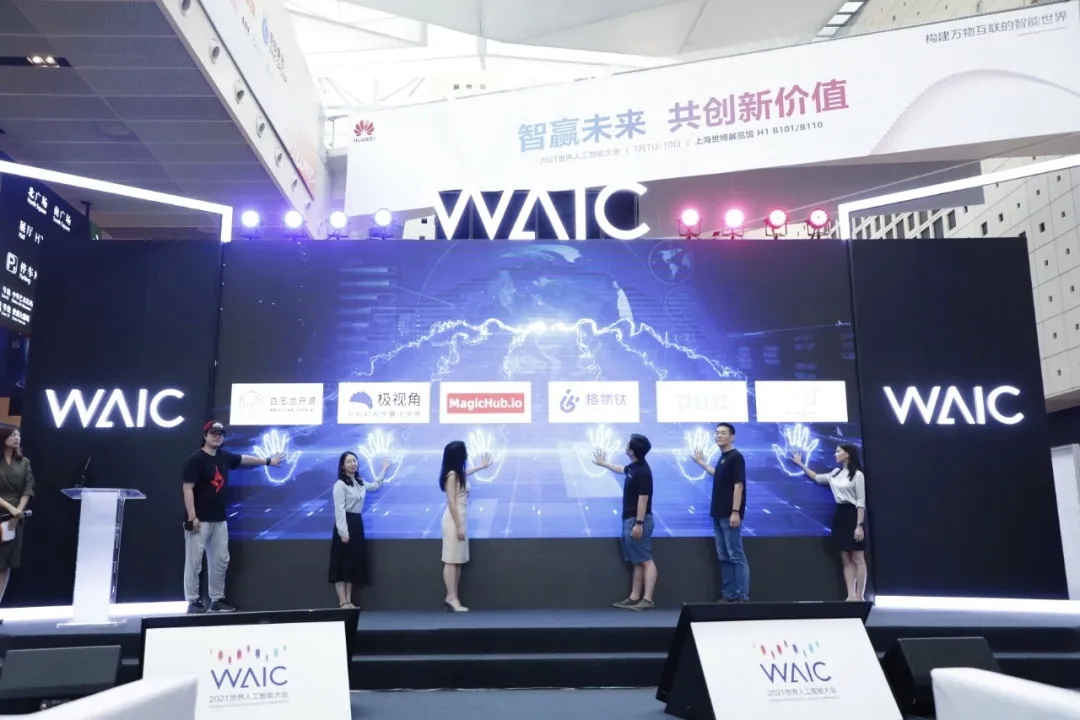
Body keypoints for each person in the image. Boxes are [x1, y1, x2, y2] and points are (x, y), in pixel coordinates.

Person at [183, 421, 283, 614]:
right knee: (194, 562)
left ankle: (217, 599)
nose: (217, 436)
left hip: (219, 519)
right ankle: (193, 601)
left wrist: (267, 461)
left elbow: (243, 459)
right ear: (205, 435)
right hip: (199, 520)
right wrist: (192, 517)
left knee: (220, 560)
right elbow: (188, 488)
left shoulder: (223, 456)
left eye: (220, 434)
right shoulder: (195, 459)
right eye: (213, 433)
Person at [791, 444, 868, 601]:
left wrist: (859, 525)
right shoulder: (835, 473)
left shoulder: (858, 475)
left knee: (857, 558)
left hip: (853, 515)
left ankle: (860, 596)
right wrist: (800, 464)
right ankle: (850, 595)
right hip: (840, 515)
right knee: (845, 559)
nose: (835, 454)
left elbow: (860, 502)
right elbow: (816, 477)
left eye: (838, 451)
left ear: (847, 454)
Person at [593, 433, 657, 611]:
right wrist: (605, 464)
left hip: (637, 521)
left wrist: (639, 523)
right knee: (637, 560)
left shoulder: (642, 472)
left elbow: (643, 499)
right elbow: (622, 469)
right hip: (630, 520)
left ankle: (648, 599)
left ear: (632, 451)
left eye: (628, 444)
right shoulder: (635, 467)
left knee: (646, 560)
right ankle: (634, 597)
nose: (625, 446)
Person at [691, 422, 749, 603]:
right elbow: (719, 475)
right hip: (717, 513)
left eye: (723, 433)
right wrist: (701, 463)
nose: (718, 436)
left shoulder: (736, 457)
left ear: (732, 437)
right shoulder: (723, 458)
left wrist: (735, 511)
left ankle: (741, 596)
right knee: (724, 556)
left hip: (729, 514)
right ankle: (728, 595)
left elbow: (738, 485)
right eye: (717, 433)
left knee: (736, 556)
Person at [329, 450, 389, 609]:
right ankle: (342, 601)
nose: (352, 464)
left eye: (354, 461)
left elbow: (375, 486)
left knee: (351, 563)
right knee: (341, 564)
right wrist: (343, 532)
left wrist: (384, 469)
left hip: (357, 523)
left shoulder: (359, 481)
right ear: (343, 466)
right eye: (349, 462)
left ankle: (349, 600)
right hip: (345, 523)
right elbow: (339, 510)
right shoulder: (340, 485)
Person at [439, 441, 490, 612]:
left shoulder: (457, 473)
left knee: (458, 559)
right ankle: (451, 597)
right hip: (453, 521)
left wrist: (481, 467)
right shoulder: (452, 475)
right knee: (451, 560)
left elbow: (466, 473)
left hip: (460, 520)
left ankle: (453, 597)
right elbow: (451, 502)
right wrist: (459, 526)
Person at [0, 426, 33, 624]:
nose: (16, 437)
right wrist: (11, 509)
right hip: (3, 511)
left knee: (4, 564)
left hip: (14, 519)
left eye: (18, 435)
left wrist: (18, 510)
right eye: (13, 434)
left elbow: (28, 489)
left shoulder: (24, 462)